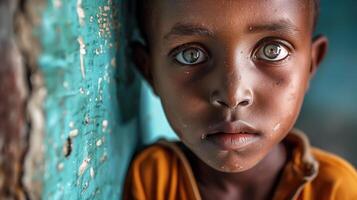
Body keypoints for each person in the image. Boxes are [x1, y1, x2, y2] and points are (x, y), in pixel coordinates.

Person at [124, 0, 357, 199]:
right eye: (191, 55)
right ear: (150, 72)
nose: (233, 95)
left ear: (310, 65)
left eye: (272, 51)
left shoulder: (335, 190)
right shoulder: (154, 180)